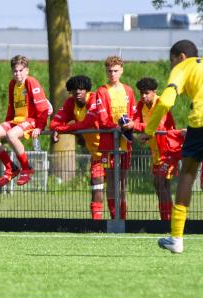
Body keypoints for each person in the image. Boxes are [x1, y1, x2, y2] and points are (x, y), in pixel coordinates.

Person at [145, 40, 203, 253]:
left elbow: (167, 101)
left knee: (188, 173)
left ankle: (176, 238)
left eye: (171, 61)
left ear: (181, 57)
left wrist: (149, 130)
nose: (171, 66)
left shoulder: (182, 67)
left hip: (200, 121)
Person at [0, 55, 50, 187]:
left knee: (11, 135)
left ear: (27, 70)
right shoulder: (12, 84)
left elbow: (42, 107)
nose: (18, 74)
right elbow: (11, 106)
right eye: (15, 71)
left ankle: (26, 168)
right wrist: (7, 123)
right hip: (16, 121)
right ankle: (11, 168)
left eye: (21, 70)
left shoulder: (31, 82)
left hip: (31, 120)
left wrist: (40, 126)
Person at [50, 75, 104, 219]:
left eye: (81, 89)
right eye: (74, 89)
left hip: (111, 150)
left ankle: (120, 223)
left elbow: (88, 122)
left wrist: (64, 129)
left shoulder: (93, 100)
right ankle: (97, 223)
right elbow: (54, 124)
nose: (78, 92)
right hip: (95, 153)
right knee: (96, 184)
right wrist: (60, 129)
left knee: (116, 188)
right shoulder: (70, 103)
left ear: (87, 90)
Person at [132, 77, 185, 221]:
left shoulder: (162, 103)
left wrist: (139, 129)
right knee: (160, 185)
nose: (143, 96)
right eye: (141, 93)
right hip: (155, 151)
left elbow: (159, 126)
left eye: (146, 93)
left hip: (168, 150)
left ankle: (168, 220)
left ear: (154, 92)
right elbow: (135, 120)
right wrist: (131, 125)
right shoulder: (140, 105)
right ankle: (167, 219)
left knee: (161, 182)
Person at [95, 55, 136, 220]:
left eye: (115, 71)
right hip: (108, 143)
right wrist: (117, 127)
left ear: (122, 71)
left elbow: (133, 115)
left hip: (125, 142)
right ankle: (114, 219)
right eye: (109, 71)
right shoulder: (102, 91)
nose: (112, 74)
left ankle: (123, 218)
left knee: (123, 182)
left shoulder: (129, 91)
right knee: (111, 181)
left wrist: (130, 125)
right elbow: (103, 120)